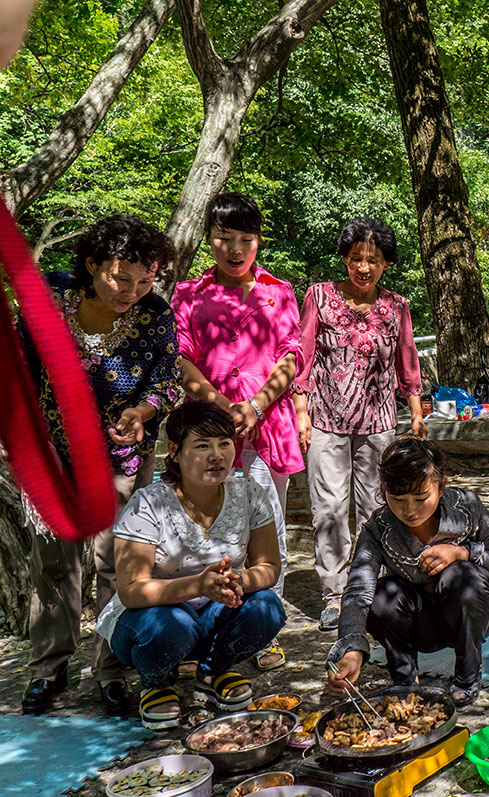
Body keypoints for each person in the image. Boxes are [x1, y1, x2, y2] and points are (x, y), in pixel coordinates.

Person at [18, 215, 181, 717]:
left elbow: (168, 380)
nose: (130, 290)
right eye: (119, 277)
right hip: (50, 457)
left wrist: (143, 411)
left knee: (117, 563)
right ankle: (49, 667)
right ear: (92, 265)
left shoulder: (156, 316)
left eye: (144, 280)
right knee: (53, 564)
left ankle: (110, 669)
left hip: (122, 459)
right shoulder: (48, 299)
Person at [171, 192, 302, 671]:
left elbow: (292, 354)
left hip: (268, 430)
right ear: (209, 239)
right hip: (207, 429)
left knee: (268, 529)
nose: (236, 248)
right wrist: (227, 409)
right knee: (199, 529)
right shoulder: (188, 294)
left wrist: (258, 405)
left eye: (246, 238)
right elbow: (180, 357)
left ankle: (261, 631)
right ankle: (196, 629)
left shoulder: (279, 290)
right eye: (225, 237)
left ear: (259, 241)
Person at [98, 402, 286, 730]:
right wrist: (197, 586)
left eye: (224, 443)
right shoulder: (149, 503)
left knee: (267, 605)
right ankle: (157, 683)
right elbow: (131, 591)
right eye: (202, 445)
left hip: (214, 615)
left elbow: (269, 566)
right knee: (172, 624)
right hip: (151, 622)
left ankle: (212, 671)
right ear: (173, 451)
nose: (216, 455)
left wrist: (239, 580)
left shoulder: (249, 493)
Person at [294, 218, 424, 633]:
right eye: (356, 259)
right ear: (344, 259)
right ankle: (334, 595)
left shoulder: (396, 307)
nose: (363, 267)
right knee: (329, 510)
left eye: (373, 260)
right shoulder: (319, 297)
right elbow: (304, 354)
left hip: (379, 423)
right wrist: (300, 410)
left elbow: (407, 359)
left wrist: (416, 409)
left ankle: (374, 588)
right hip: (326, 419)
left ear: (386, 263)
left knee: (377, 509)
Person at [326, 437, 489, 707]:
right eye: (398, 499)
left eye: (421, 497)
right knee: (382, 596)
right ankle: (404, 680)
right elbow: (357, 592)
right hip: (418, 625)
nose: (410, 510)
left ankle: (467, 677)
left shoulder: (467, 506)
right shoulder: (378, 528)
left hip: (472, 616)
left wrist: (462, 553)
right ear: (384, 490)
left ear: (441, 485)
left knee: (463, 578)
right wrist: (352, 649)